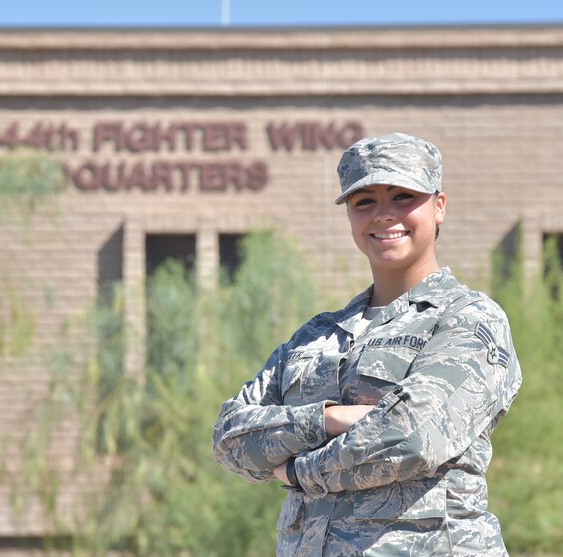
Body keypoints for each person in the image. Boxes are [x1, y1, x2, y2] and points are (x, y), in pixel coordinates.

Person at [212, 132, 522, 556]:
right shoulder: (316, 335)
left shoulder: (467, 319)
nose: (383, 215)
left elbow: (412, 438)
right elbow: (230, 438)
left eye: (402, 196)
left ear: (439, 207)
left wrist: (297, 471)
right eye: (364, 202)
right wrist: (330, 419)